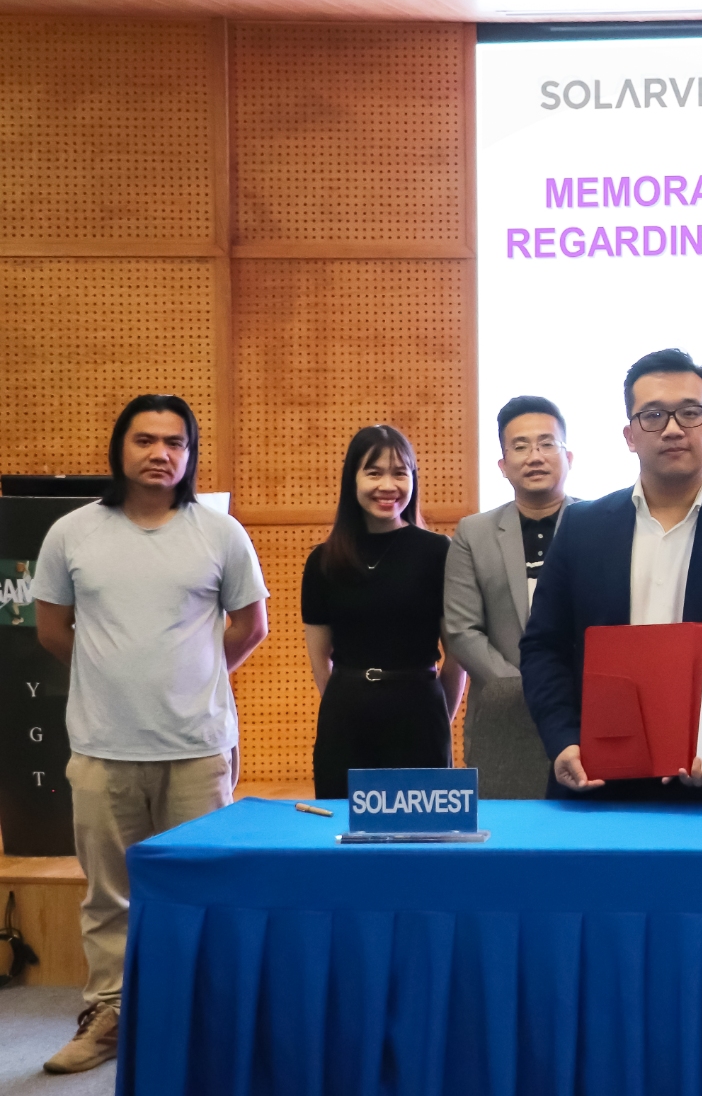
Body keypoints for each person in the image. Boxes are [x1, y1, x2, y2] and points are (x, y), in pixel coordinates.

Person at [30, 395, 268, 1075]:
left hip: (197, 750)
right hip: (102, 749)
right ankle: (109, 1015)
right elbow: (52, 630)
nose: (161, 454)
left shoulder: (220, 533)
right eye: (145, 440)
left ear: (189, 454)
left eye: (175, 442)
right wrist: (113, 679)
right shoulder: (71, 533)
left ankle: (206, 1023)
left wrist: (191, 680)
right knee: (110, 896)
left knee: (205, 891)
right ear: (120, 448)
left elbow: (251, 626)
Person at [519, 348, 702, 803]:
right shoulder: (582, 528)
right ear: (629, 436)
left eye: (690, 413)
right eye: (653, 415)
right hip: (600, 780)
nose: (673, 429)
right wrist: (564, 741)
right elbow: (543, 647)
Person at [303, 425, 465, 799]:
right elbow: (319, 659)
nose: (388, 486)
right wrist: (346, 704)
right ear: (352, 479)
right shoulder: (323, 560)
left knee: (421, 828)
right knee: (344, 826)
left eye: (399, 473)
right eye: (374, 473)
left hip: (420, 713)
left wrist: (437, 716)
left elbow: (456, 657)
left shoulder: (438, 552)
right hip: (345, 719)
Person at [444, 395, 572, 798]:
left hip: (582, 713)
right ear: (502, 465)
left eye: (547, 443)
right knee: (506, 827)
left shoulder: (601, 525)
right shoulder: (472, 533)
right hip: (502, 716)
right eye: (520, 446)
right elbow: (461, 629)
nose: (535, 456)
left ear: (569, 457)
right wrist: (524, 687)